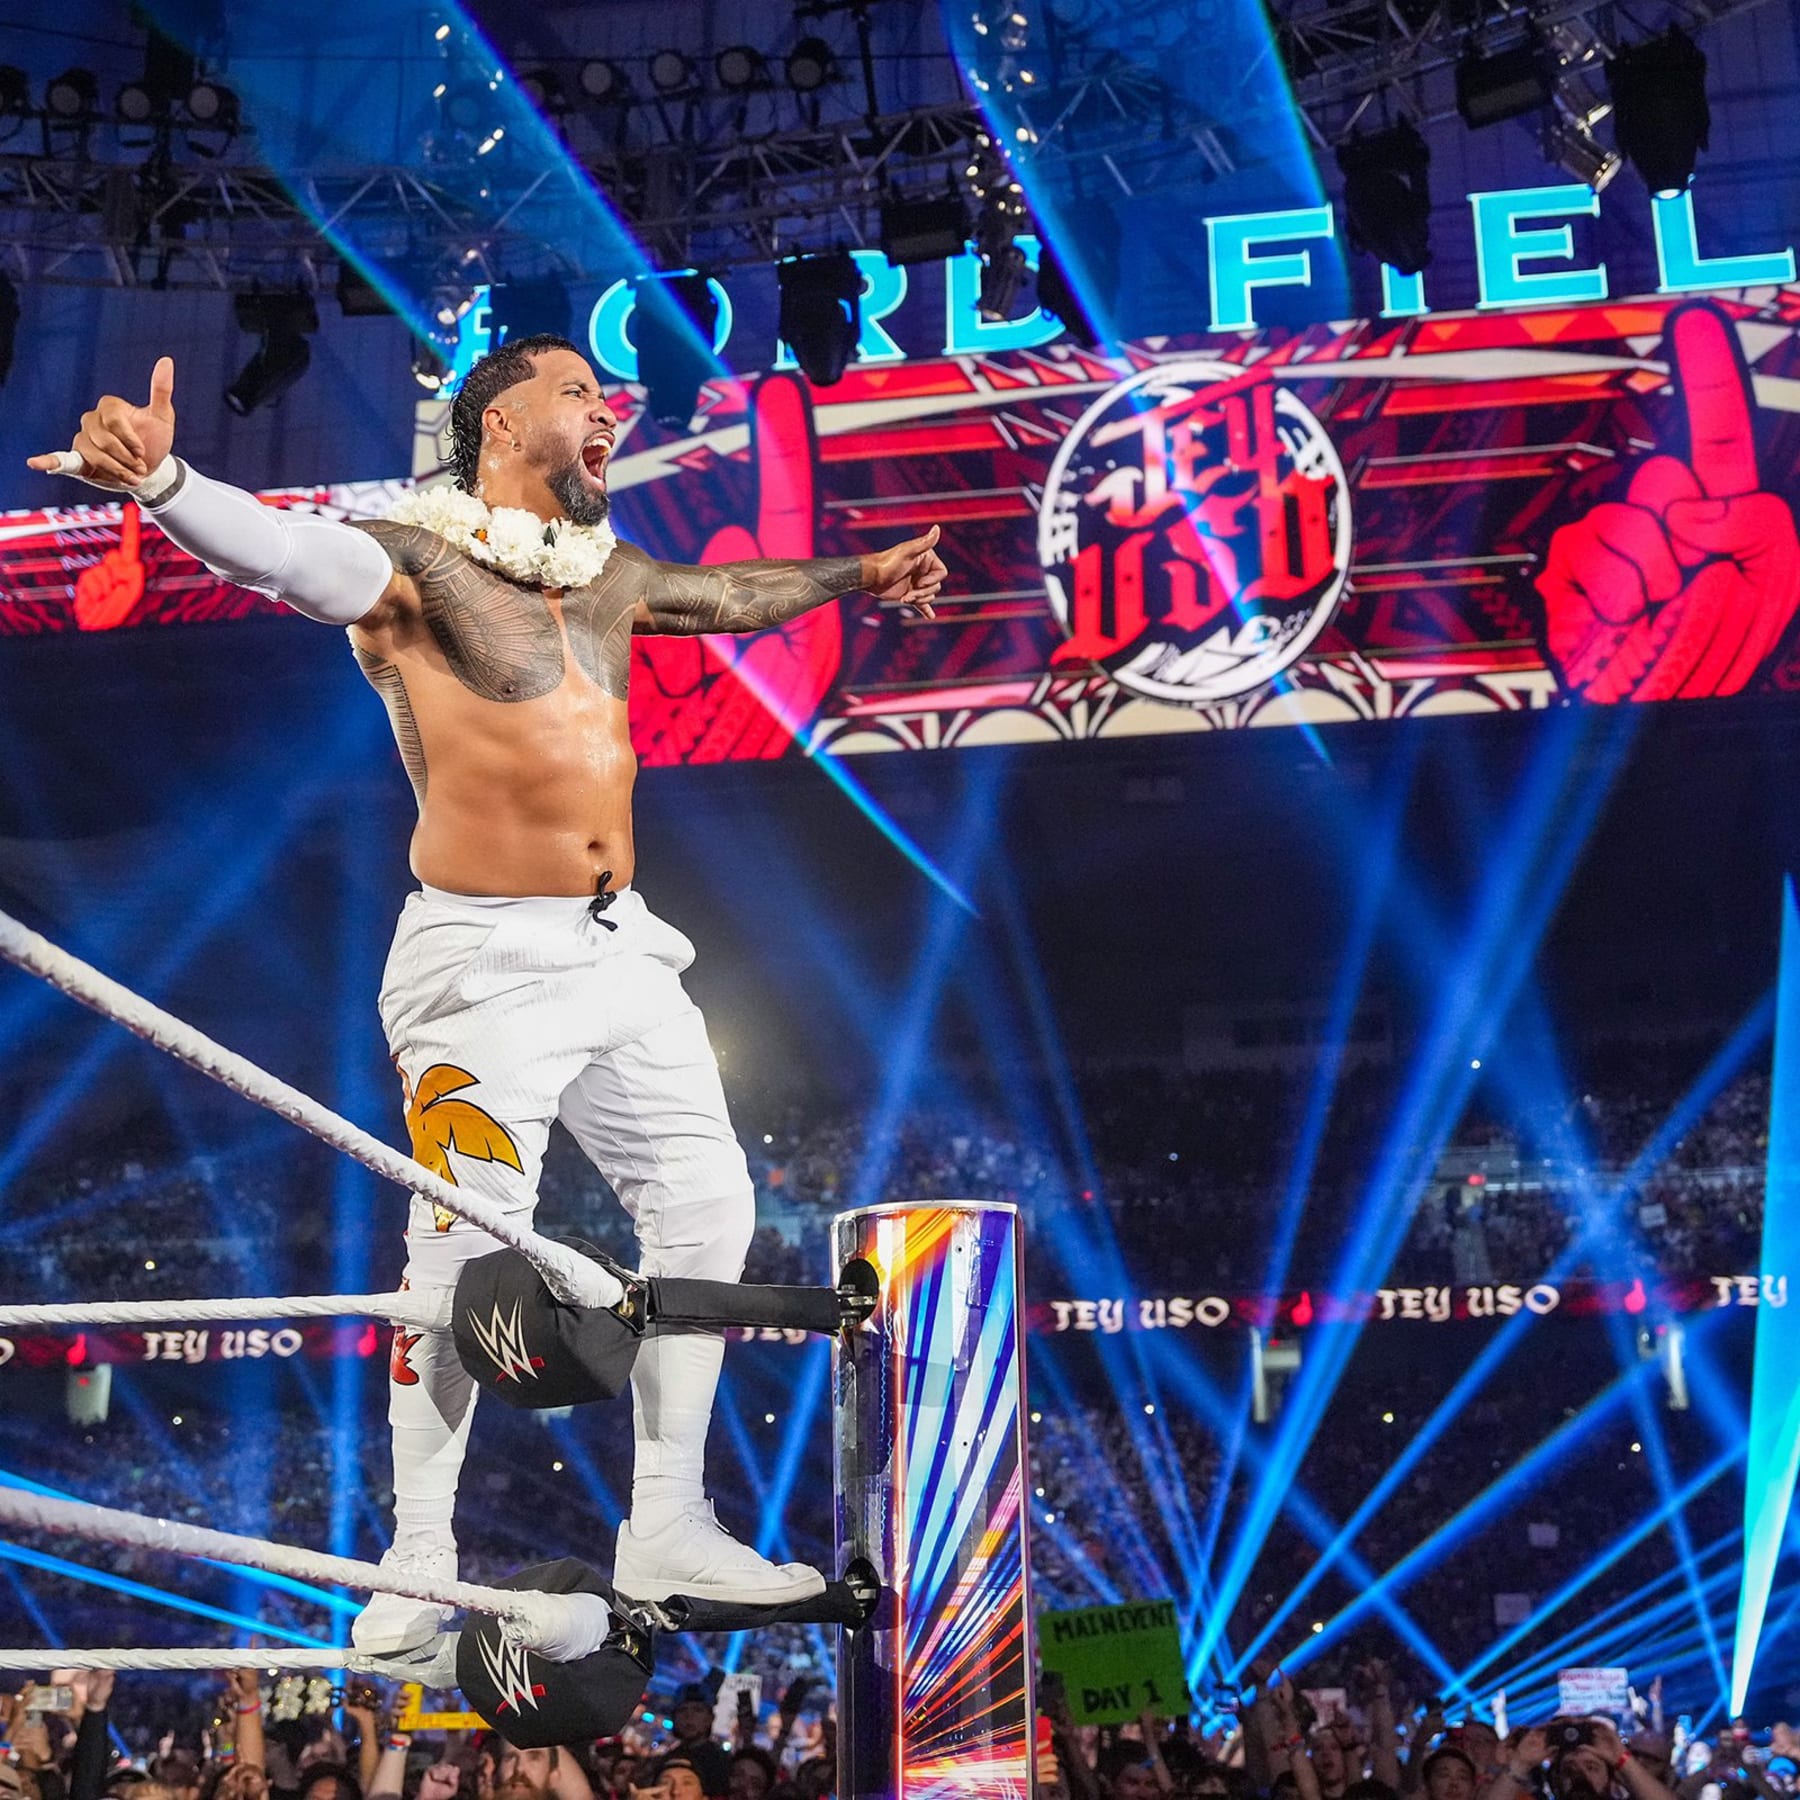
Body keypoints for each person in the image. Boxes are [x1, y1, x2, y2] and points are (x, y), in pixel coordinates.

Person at [30, 338, 947, 1655]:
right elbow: (282, 557)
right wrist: (168, 484)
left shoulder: (608, 577)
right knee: (465, 1252)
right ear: (503, 422)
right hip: (480, 965)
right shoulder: (420, 566)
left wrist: (862, 573)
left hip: (623, 947)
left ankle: (668, 1521)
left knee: (709, 1202)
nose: (607, 411)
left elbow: (726, 592)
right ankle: (416, 1559)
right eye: (580, 392)